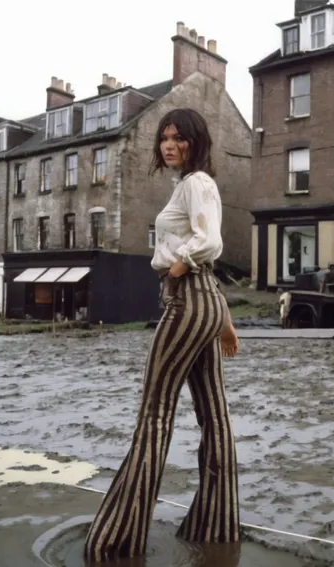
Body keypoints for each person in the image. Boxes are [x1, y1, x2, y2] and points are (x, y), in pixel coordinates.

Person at [84, 108, 241, 564]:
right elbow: (210, 268)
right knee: (215, 415)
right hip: (206, 302)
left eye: (179, 139)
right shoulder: (192, 185)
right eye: (164, 138)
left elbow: (208, 244)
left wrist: (176, 268)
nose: (169, 145)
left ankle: (117, 537)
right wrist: (223, 321)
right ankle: (216, 525)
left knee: (154, 414)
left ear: (196, 142)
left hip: (186, 298)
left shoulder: (197, 183)